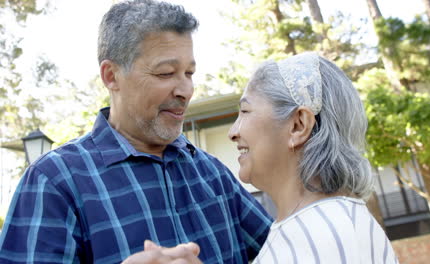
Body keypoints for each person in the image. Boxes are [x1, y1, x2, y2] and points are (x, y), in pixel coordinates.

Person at [0, 0, 272, 263]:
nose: (185, 90)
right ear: (111, 76)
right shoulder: (55, 181)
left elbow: (285, 252)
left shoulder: (212, 173)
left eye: (189, 73)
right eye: (165, 73)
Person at [228, 52, 399, 263]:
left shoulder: (314, 237)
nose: (233, 132)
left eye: (245, 111)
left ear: (298, 125)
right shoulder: (339, 221)